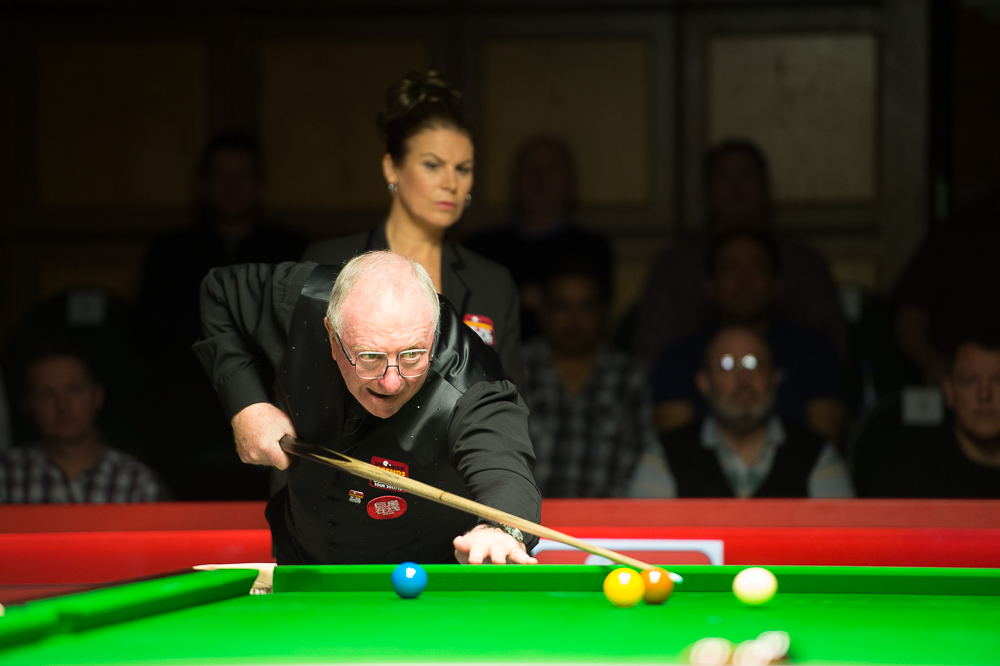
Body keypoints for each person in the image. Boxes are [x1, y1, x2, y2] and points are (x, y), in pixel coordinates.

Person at [195, 250, 541, 565]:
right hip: (300, 567)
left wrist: (500, 529)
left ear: (433, 334)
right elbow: (219, 291)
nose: (391, 382)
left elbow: (506, 471)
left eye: (412, 355)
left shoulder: (471, 385)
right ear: (332, 335)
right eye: (370, 357)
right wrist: (247, 404)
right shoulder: (303, 299)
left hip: (426, 587)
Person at [303, 71, 524, 386]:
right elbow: (303, 381)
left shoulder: (492, 283)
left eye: (463, 169)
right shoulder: (328, 263)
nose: (451, 183)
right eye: (433, 165)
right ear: (392, 168)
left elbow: (511, 399)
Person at [140, 131, 306, 499]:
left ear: (260, 184)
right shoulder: (171, 253)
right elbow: (155, 342)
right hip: (187, 414)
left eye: (242, 175)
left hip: (275, 408)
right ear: (203, 183)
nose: (232, 186)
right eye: (221, 175)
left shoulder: (289, 248)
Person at [633, 140, 846, 361]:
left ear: (766, 188)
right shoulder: (674, 265)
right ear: (707, 191)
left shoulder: (803, 262)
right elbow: (652, 352)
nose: (737, 187)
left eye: (747, 176)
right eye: (724, 177)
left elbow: (832, 348)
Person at [651, 229, 847, 444]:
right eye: (730, 269)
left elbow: (823, 446)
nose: (744, 281)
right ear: (710, 286)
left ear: (777, 283)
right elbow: (676, 450)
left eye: (757, 268)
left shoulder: (815, 352)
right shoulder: (678, 358)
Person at [629, 327, 853, 498]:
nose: (743, 378)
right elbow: (641, 539)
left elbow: (846, 540)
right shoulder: (663, 457)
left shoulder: (819, 455)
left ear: (775, 377)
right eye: (727, 365)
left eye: (753, 363)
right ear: (703, 382)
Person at [522, 268, 656, 497]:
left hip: (610, 516)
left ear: (604, 311)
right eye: (561, 307)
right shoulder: (515, 369)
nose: (574, 320)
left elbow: (649, 462)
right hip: (520, 516)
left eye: (586, 307)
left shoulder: (632, 378)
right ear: (542, 312)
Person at [463, 136, 613, 341]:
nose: (540, 177)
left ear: (570, 182)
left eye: (552, 169)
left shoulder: (592, 248)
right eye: (529, 168)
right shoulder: (480, 248)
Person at [0, 342, 162, 503]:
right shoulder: (6, 476)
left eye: (74, 390)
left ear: (98, 395)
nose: (62, 406)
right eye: (46, 394)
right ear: (26, 405)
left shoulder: (138, 482)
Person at [867, 332, 1000, 497]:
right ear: (949, 391)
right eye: (969, 381)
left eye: (998, 381)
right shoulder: (909, 469)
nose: (984, 395)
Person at [893, 198, 1000, 385]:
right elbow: (910, 319)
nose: (986, 395)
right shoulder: (959, 232)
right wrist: (934, 364)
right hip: (957, 379)